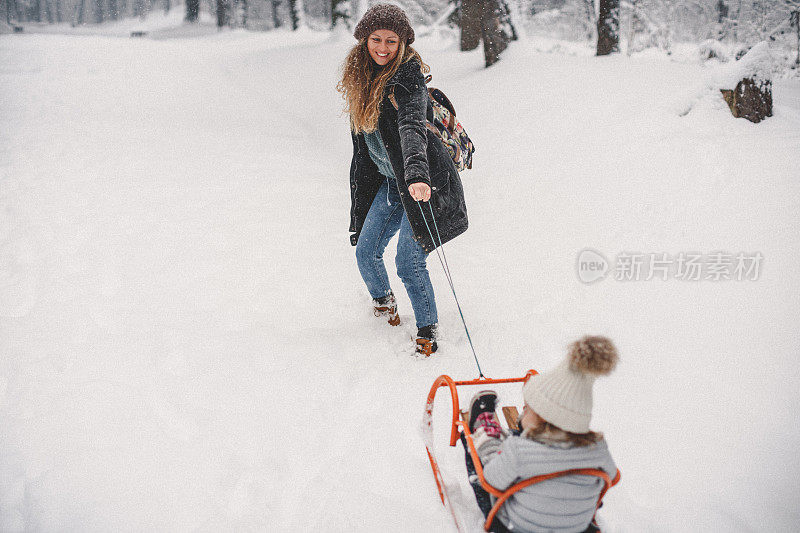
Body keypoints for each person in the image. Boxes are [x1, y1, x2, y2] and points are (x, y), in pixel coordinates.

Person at [337, 4, 468, 357]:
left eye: (391, 41)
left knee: (408, 261)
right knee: (366, 252)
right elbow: (363, 151)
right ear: (364, 41)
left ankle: (428, 329)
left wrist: (417, 176)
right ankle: (385, 308)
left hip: (426, 183)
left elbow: (412, 130)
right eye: (375, 39)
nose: (382, 48)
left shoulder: (407, 81)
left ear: (403, 43)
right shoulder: (360, 81)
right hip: (392, 183)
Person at [464, 336, 620, 533]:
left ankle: (485, 433)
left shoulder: (520, 452)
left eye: (527, 409)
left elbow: (491, 480)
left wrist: (496, 454)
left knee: (480, 455)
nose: (522, 412)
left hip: (516, 526)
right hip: (576, 527)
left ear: (543, 418)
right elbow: (612, 477)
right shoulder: (599, 450)